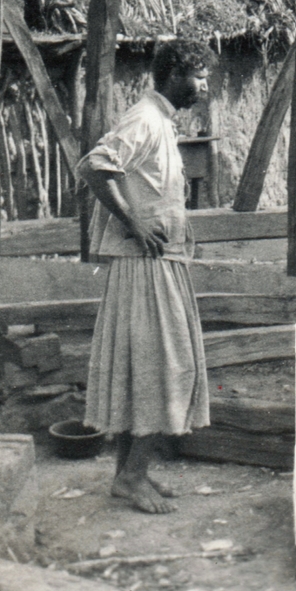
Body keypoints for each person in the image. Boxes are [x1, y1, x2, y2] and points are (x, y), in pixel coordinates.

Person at [76, 40, 213, 514]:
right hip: (145, 265)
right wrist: (133, 221)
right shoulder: (145, 119)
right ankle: (132, 477)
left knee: (147, 366)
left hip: (160, 262)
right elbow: (95, 167)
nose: (204, 86)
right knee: (163, 365)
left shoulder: (161, 124)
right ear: (174, 72)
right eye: (199, 76)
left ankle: (129, 475)